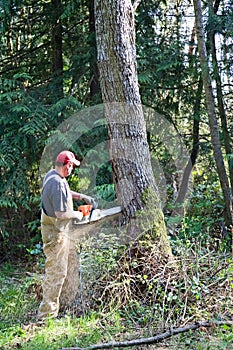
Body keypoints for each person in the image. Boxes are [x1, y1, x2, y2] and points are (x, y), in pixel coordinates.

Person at [37, 150, 94, 320]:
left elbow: (64, 194)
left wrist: (81, 196)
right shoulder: (58, 184)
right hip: (56, 235)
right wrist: (78, 214)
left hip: (54, 231)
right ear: (67, 166)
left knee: (65, 268)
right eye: (72, 166)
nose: (72, 170)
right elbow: (61, 213)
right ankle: (46, 316)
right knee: (56, 273)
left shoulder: (52, 176)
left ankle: (62, 303)